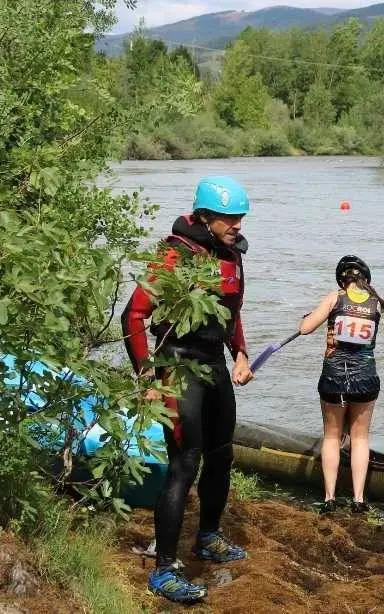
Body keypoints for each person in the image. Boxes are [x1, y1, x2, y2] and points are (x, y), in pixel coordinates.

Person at [121, 176, 254, 604]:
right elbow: (134, 315)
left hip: (215, 363)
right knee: (185, 464)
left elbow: (231, 313)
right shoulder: (175, 255)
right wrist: (147, 379)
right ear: (205, 217)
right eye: (230, 218)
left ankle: (208, 537)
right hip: (177, 364)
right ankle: (164, 569)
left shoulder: (230, 254)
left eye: (240, 217)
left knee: (222, 456)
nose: (238, 224)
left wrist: (241, 355)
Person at [297, 255, 384, 515]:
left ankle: (329, 498)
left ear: (342, 279)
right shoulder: (376, 303)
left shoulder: (334, 297)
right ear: (365, 279)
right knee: (360, 438)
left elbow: (305, 328)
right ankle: (359, 500)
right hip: (365, 377)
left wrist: (307, 318)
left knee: (332, 437)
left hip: (334, 376)